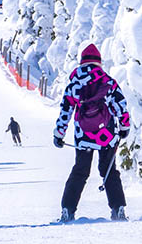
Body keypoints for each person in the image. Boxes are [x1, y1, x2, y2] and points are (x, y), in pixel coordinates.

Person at [53, 44, 131, 223]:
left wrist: (59, 133)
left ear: (82, 62)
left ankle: (67, 209)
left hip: (83, 137)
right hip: (107, 135)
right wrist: (124, 126)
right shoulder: (108, 81)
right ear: (98, 62)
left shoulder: (74, 84)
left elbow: (66, 111)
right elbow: (120, 105)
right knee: (109, 171)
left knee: (80, 171)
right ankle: (118, 208)